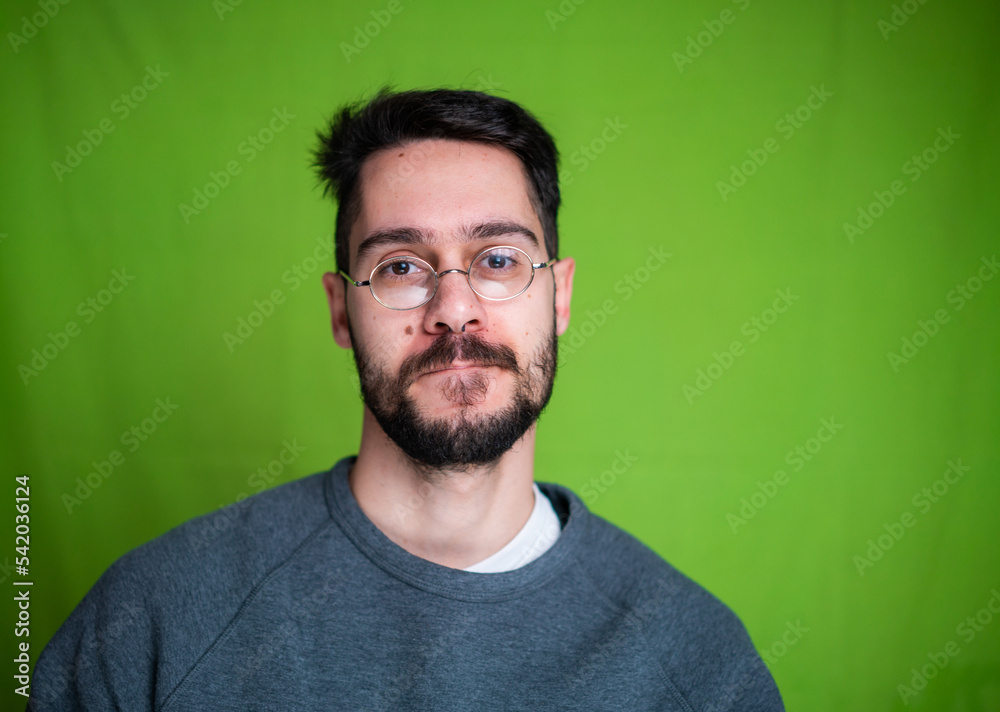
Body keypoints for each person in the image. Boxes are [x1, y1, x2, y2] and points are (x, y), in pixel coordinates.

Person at [28, 88, 784, 710]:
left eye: (498, 259)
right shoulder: (151, 623)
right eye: (400, 267)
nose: (454, 310)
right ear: (340, 310)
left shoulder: (699, 664)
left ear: (559, 296)